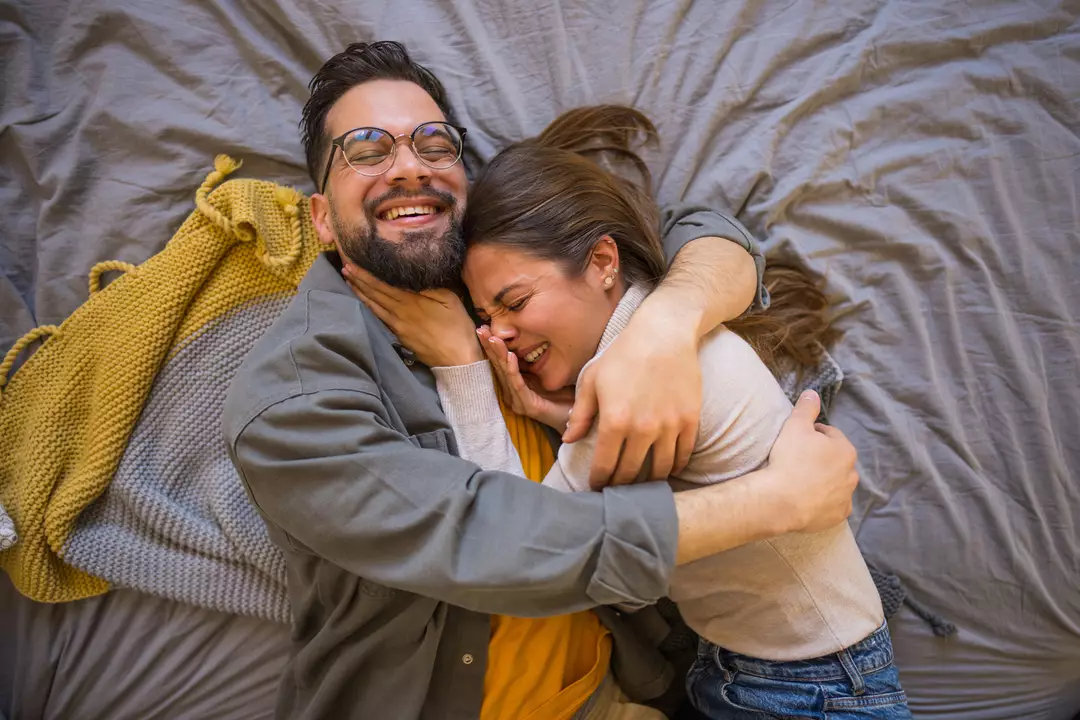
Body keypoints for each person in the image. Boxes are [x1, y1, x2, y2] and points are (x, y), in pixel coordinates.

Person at [223, 41, 862, 719]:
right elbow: (493, 546)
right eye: (366, 150)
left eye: (433, 144)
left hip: (625, 694)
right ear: (322, 218)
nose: (409, 166)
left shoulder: (489, 264)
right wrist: (777, 502)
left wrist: (664, 329)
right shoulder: (294, 398)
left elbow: (700, 231)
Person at [356, 105, 910, 718]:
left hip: (811, 689)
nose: (499, 335)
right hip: (771, 664)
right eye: (486, 318)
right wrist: (562, 416)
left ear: (602, 263)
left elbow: (530, 553)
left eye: (515, 302)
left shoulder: (630, 381)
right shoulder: (652, 331)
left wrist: (462, 370)